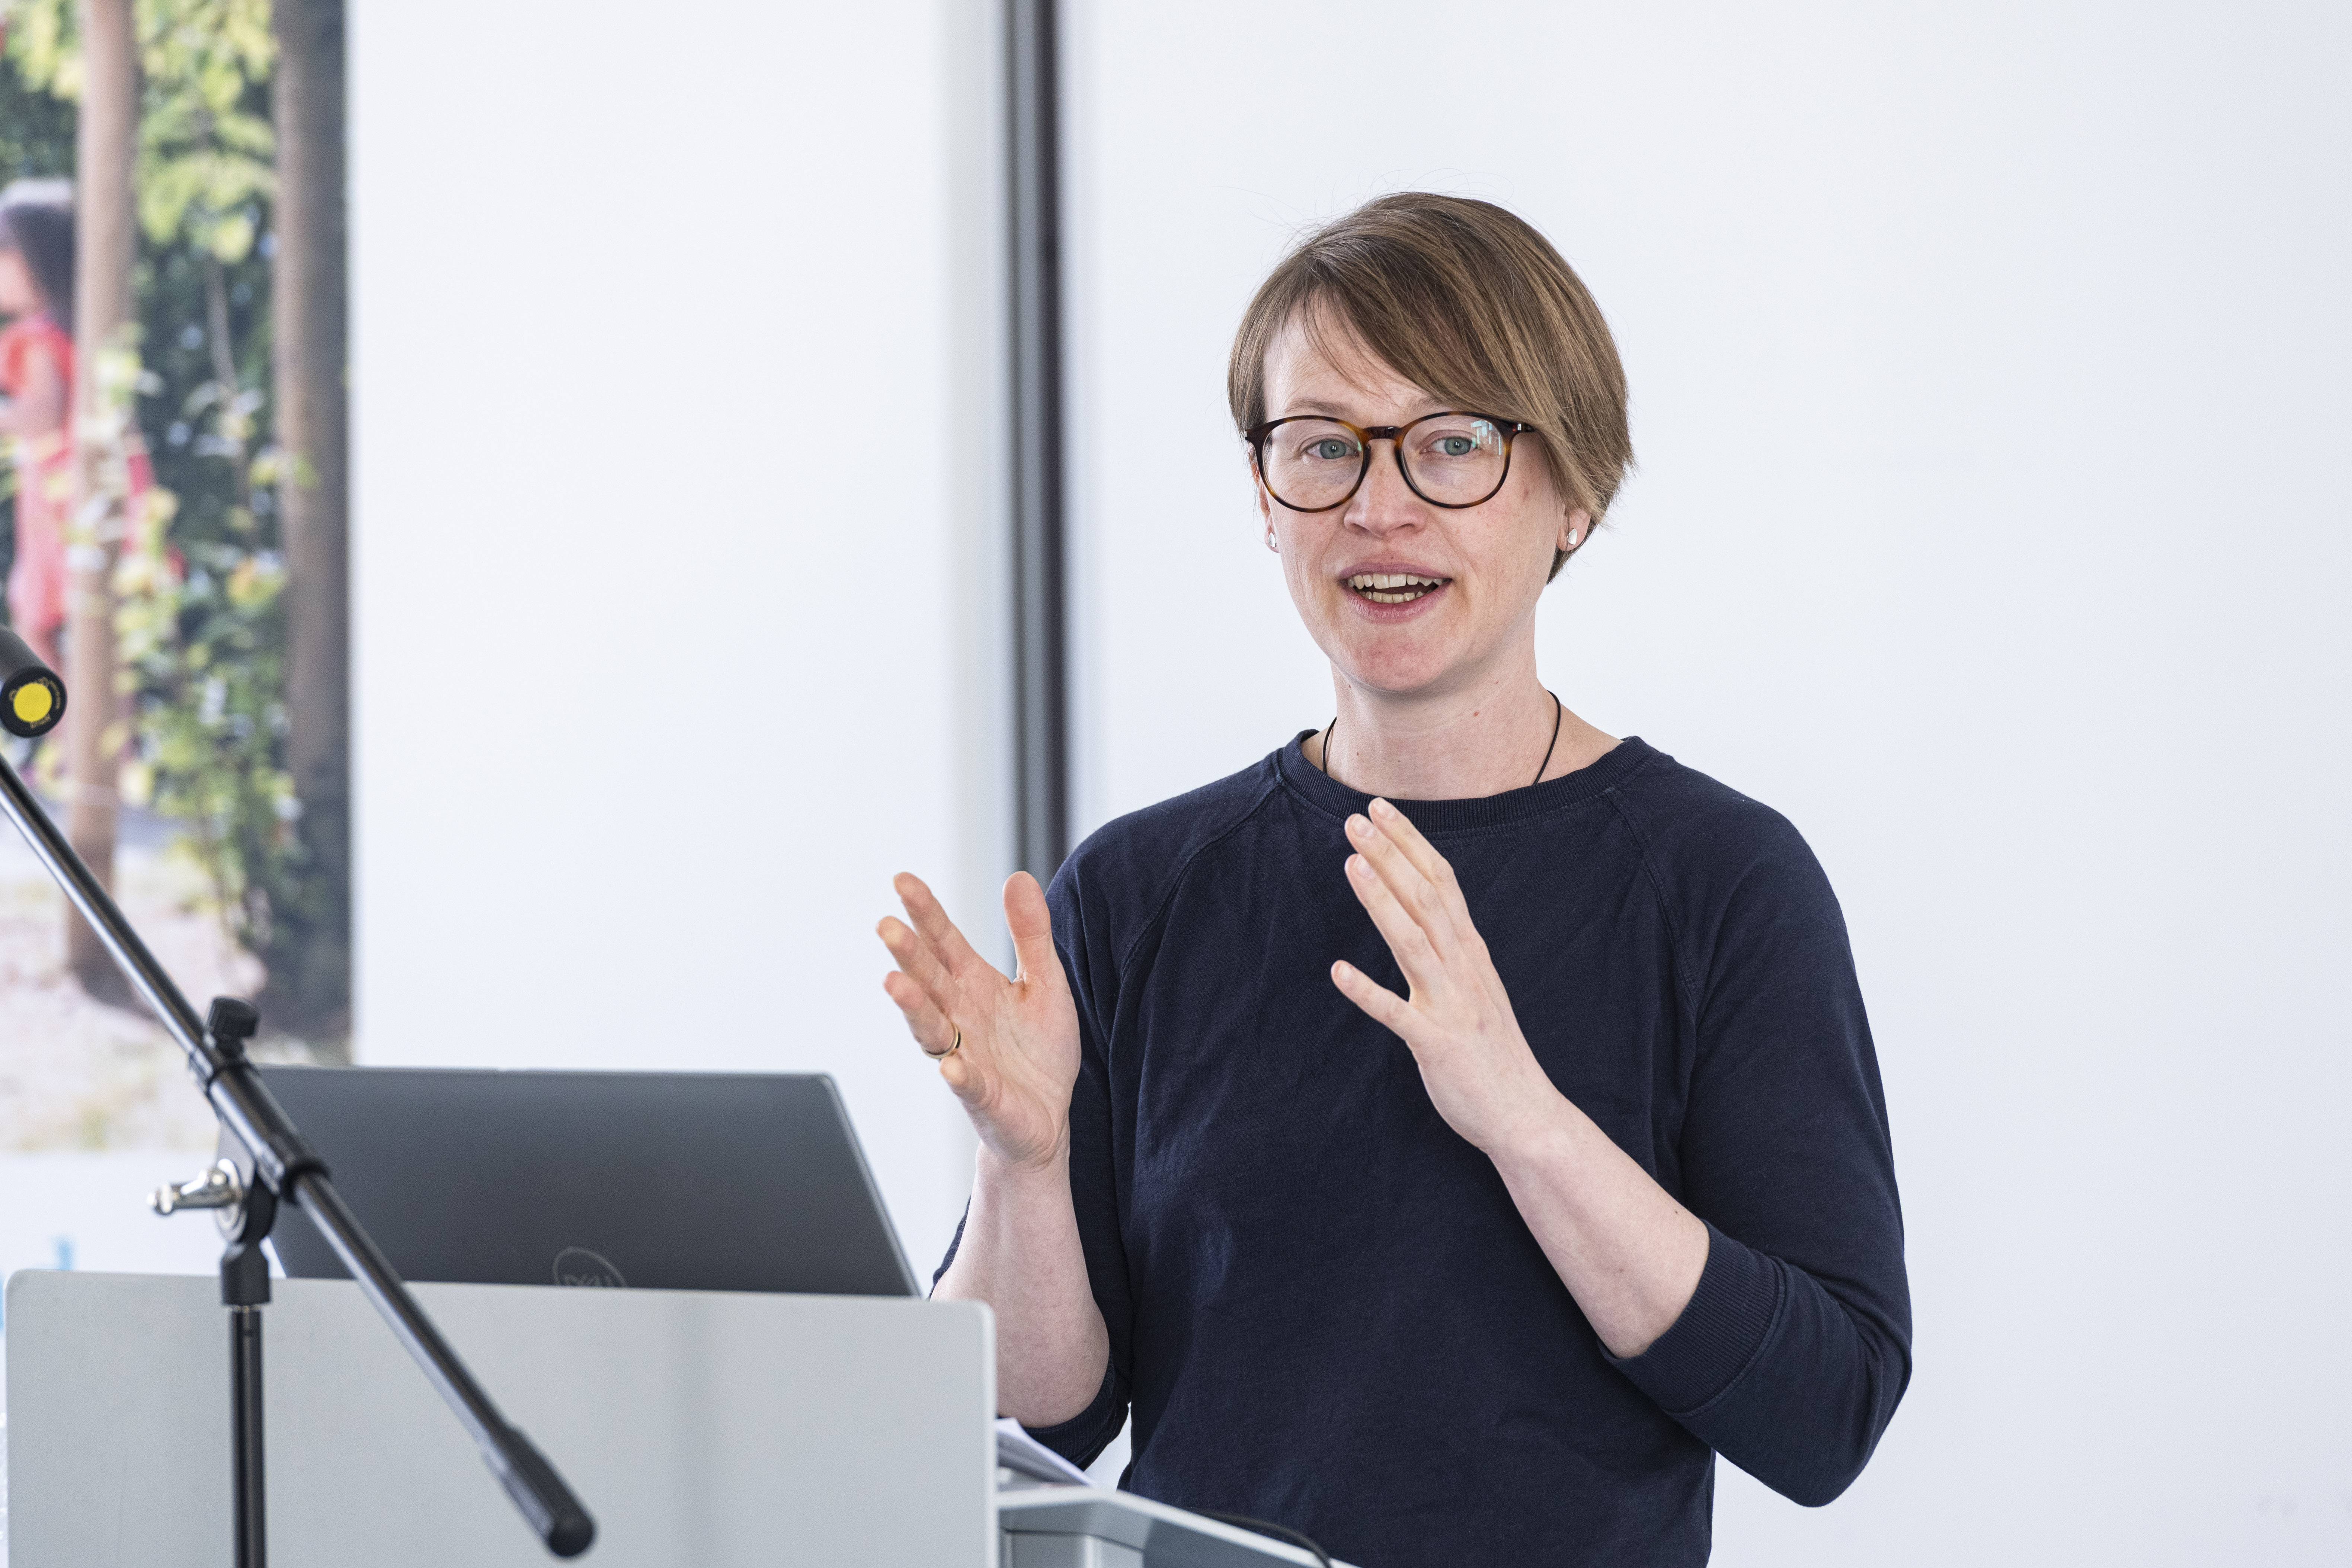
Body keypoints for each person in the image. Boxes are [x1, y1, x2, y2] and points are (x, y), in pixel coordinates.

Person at [877, 192, 1909, 1567]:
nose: (1378, 507)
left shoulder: (1723, 883)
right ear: (1265, 498)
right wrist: (1027, 1164)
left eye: (1452, 444)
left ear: (1575, 493)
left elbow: (1825, 1414)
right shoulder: (1139, 889)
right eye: (1322, 446)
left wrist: (1523, 1120)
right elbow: (1035, 1423)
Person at [0, 180, 74, 673]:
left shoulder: (38, 339)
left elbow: (44, 413)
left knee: (35, 619)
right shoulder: (69, 333)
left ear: (29, 260)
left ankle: (66, 721)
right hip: (61, 497)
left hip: (62, 501)